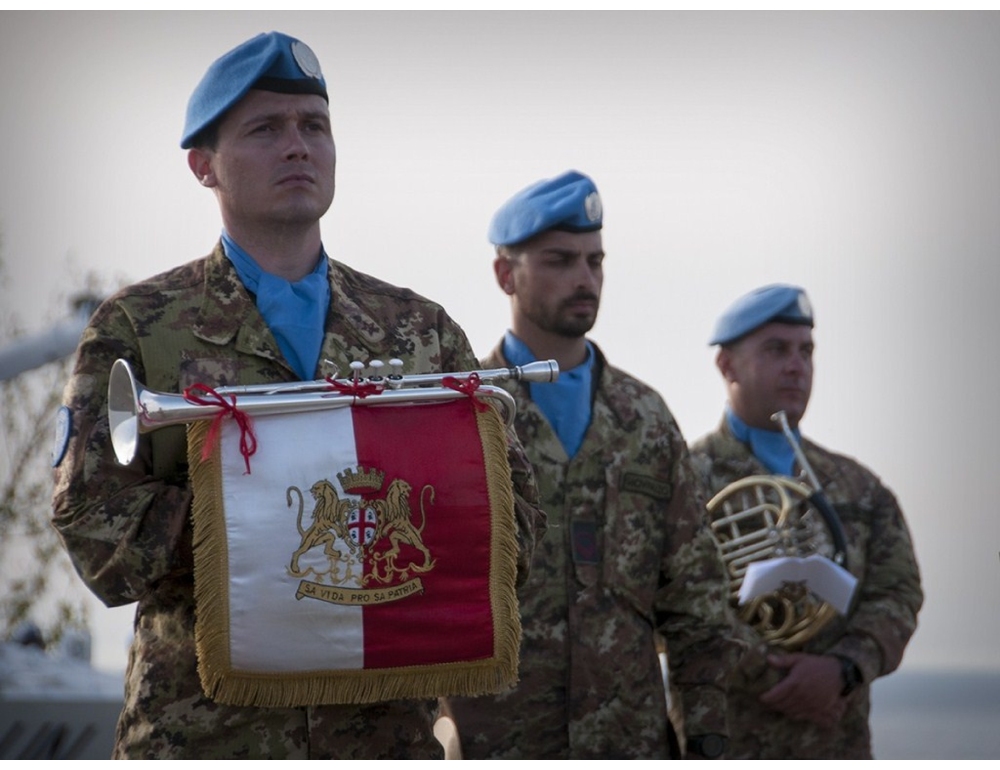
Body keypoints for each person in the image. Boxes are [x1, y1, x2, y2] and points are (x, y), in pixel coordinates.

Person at [50, 31, 542, 760]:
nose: (298, 146)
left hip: (383, 739)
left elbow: (518, 526)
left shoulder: (420, 330)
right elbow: (91, 527)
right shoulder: (139, 327)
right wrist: (253, 524)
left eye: (315, 126)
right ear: (202, 166)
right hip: (206, 737)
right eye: (265, 129)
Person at [443, 171, 739, 759]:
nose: (585, 278)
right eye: (560, 260)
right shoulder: (465, 413)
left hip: (628, 743)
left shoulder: (646, 419)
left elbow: (697, 604)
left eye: (595, 261)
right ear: (506, 273)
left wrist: (707, 740)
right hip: (500, 744)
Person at [690, 283, 923, 759]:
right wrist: (782, 677)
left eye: (806, 351)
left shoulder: (860, 487)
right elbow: (676, 602)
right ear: (726, 365)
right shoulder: (685, 478)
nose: (797, 366)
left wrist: (843, 670)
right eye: (776, 350)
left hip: (836, 744)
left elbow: (898, 593)